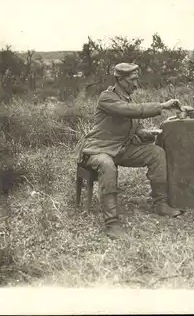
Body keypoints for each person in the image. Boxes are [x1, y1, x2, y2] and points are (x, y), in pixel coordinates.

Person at [75, 63, 183, 239]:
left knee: (156, 153)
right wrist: (162, 106)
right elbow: (130, 111)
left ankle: (161, 204)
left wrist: (147, 133)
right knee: (107, 165)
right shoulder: (107, 98)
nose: (136, 85)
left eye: (136, 80)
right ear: (119, 80)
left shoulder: (127, 99)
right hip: (97, 149)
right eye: (132, 80)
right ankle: (112, 224)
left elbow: (134, 128)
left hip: (119, 149)